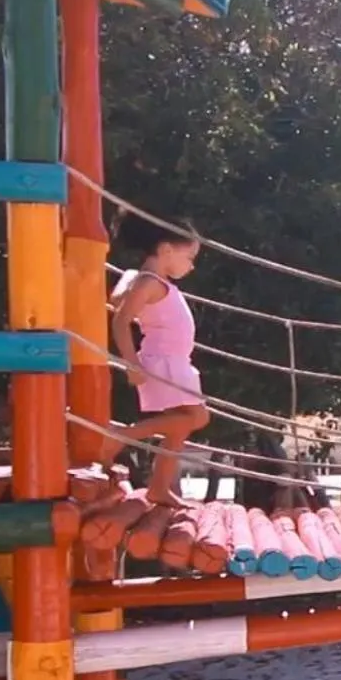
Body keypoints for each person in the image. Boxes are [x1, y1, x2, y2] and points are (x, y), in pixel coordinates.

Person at [101, 213, 211, 506]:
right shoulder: (149, 283)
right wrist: (130, 363)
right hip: (163, 361)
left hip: (175, 362)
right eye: (189, 257)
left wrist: (127, 277)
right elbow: (120, 321)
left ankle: (159, 488)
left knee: (182, 425)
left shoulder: (147, 280)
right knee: (198, 417)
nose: (191, 265)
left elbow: (116, 299)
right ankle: (123, 435)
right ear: (166, 250)